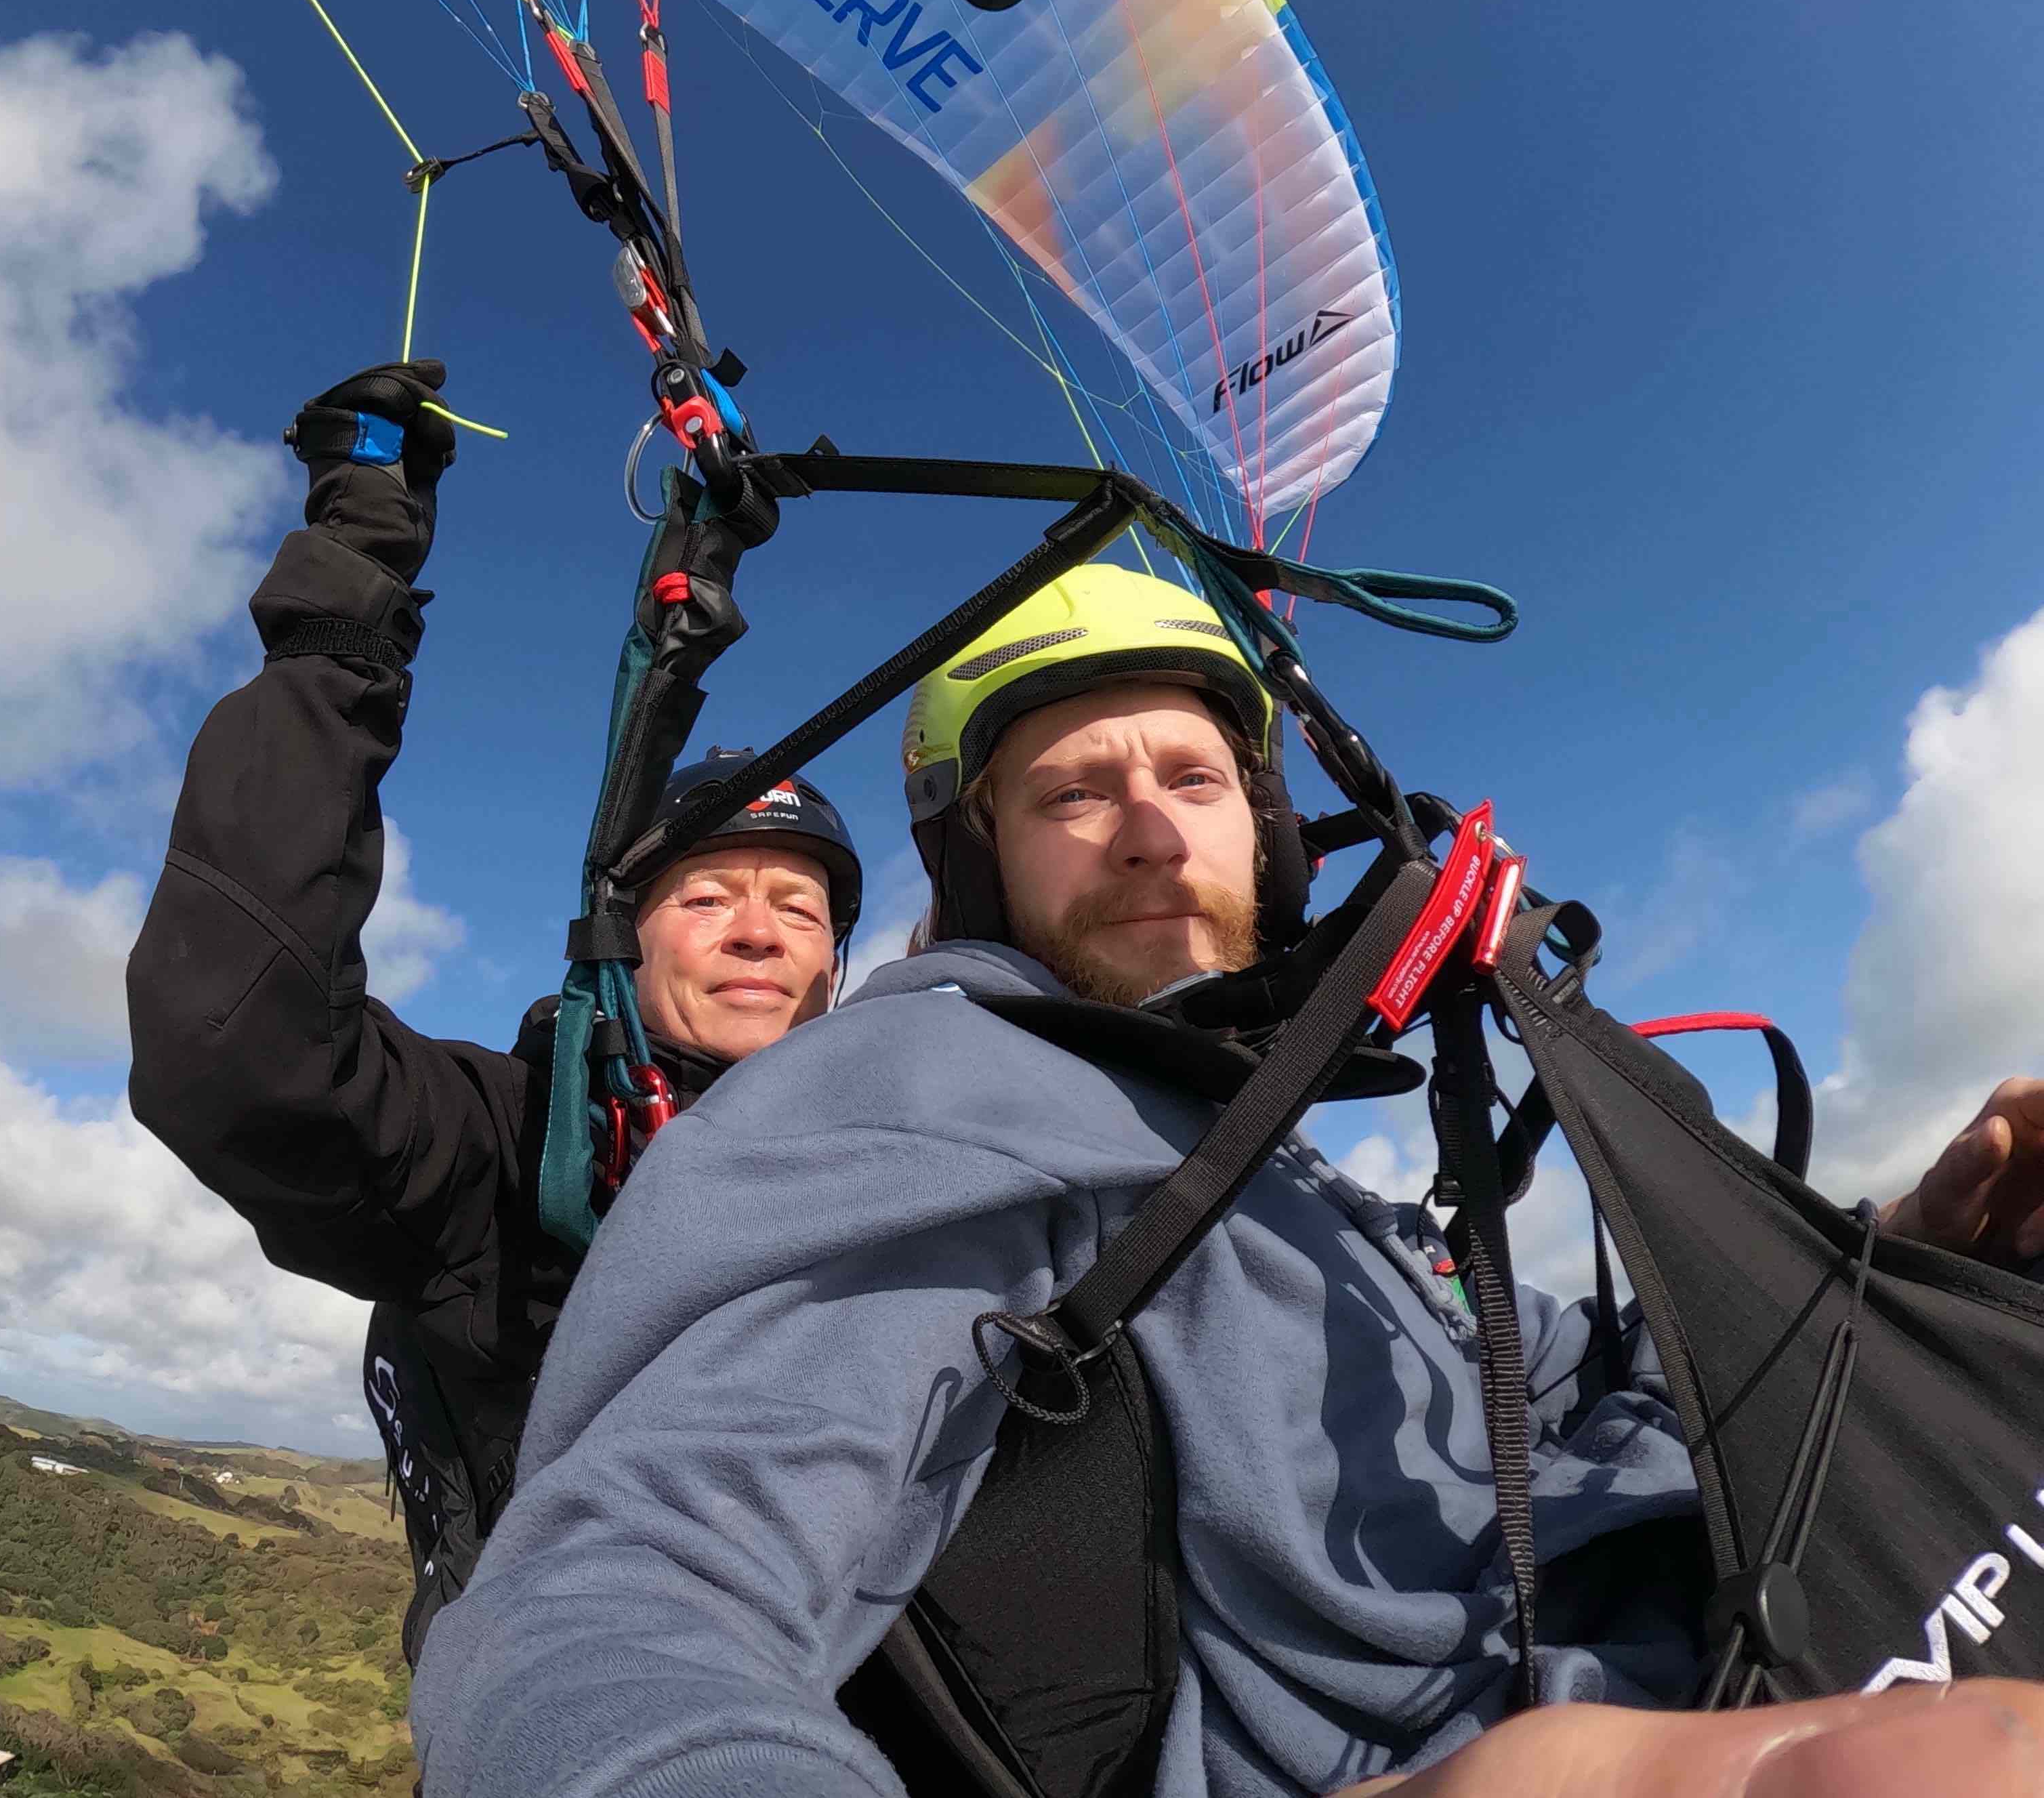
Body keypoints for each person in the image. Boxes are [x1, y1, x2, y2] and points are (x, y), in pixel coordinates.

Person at [409, 561, 2044, 1798]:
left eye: (1190, 780)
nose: (1143, 830)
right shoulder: (919, 1091)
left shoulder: (1258, 1141)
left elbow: (1575, 1382)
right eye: (1070, 790)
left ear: (1261, 831)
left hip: (1748, 1570)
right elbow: (620, 1596)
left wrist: (1901, 1255)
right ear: (980, 857)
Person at [124, 358, 862, 1660]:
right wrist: (343, 606)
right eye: (707, 900)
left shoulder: (901, 1180)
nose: (758, 928)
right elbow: (237, 1046)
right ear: (623, 949)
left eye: (799, 911)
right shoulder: (503, 1152)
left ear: (840, 974)